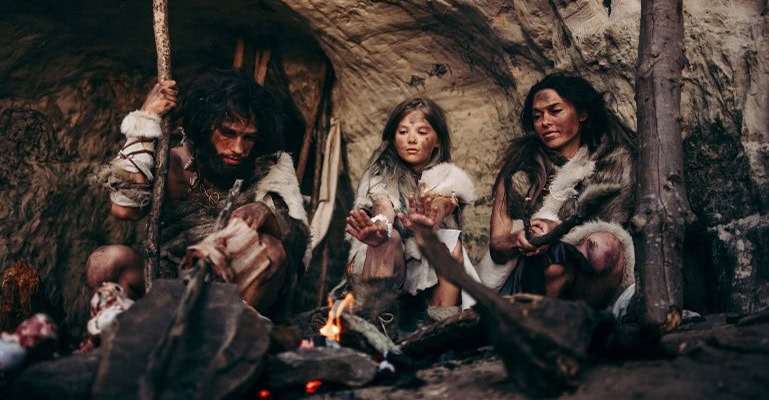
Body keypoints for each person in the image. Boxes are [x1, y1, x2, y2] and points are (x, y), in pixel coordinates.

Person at [88, 69, 310, 320]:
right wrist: (146, 119)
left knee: (271, 250)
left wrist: (266, 214)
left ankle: (227, 345)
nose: (238, 148)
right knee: (106, 261)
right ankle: (116, 343)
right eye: (227, 133)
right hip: (169, 281)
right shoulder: (170, 163)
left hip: (236, 291)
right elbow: (124, 209)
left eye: (248, 138)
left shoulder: (269, 168)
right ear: (205, 128)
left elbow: (296, 246)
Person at [480, 73, 636, 311]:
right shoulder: (520, 170)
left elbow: (616, 229)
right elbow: (498, 247)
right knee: (555, 261)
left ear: (582, 113)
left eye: (555, 111)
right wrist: (522, 238)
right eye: (537, 116)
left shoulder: (614, 164)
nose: (545, 122)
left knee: (606, 246)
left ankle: (584, 326)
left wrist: (557, 231)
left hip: (589, 284)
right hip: (531, 279)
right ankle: (535, 328)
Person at [339, 97, 479, 331]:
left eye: (422, 131)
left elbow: (446, 200)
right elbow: (383, 205)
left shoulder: (447, 176)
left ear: (436, 142)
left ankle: (441, 328)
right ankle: (378, 327)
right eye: (403, 131)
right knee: (389, 240)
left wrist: (432, 218)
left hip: (426, 266)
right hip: (383, 261)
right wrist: (381, 228)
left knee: (449, 243)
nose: (411, 139)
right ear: (393, 139)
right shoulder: (381, 175)